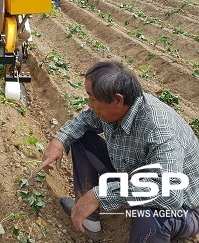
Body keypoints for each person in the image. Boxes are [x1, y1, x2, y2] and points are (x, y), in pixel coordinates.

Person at [37, 61, 199, 243]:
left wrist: (101, 194)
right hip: (132, 177)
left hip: (182, 207)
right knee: (81, 138)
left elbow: (169, 194)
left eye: (92, 98)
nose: (89, 104)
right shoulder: (116, 110)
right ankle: (89, 221)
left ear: (117, 100)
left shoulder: (159, 128)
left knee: (148, 213)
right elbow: (84, 121)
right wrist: (60, 140)